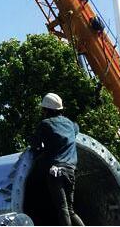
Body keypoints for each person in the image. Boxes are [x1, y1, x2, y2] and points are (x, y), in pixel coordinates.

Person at [30, 93, 84, 226]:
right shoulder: (71, 124)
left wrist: (41, 151)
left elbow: (35, 145)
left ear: (46, 110)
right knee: (70, 210)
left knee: (62, 208)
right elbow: (76, 130)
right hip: (70, 170)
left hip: (56, 171)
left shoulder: (45, 124)